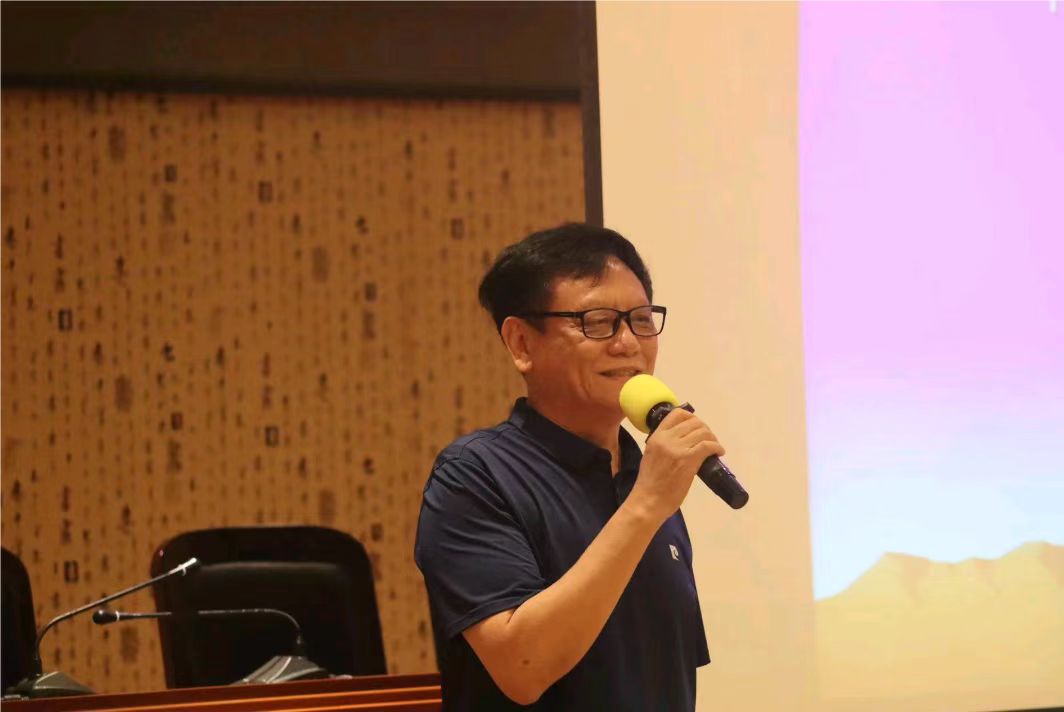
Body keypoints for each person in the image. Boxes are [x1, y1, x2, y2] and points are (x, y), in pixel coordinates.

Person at [414, 223, 723, 710]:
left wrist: (647, 497)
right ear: (521, 343)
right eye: (598, 322)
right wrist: (645, 505)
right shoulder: (475, 476)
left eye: (642, 319)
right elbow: (522, 668)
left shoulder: (642, 474)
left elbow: (662, 678)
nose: (628, 343)